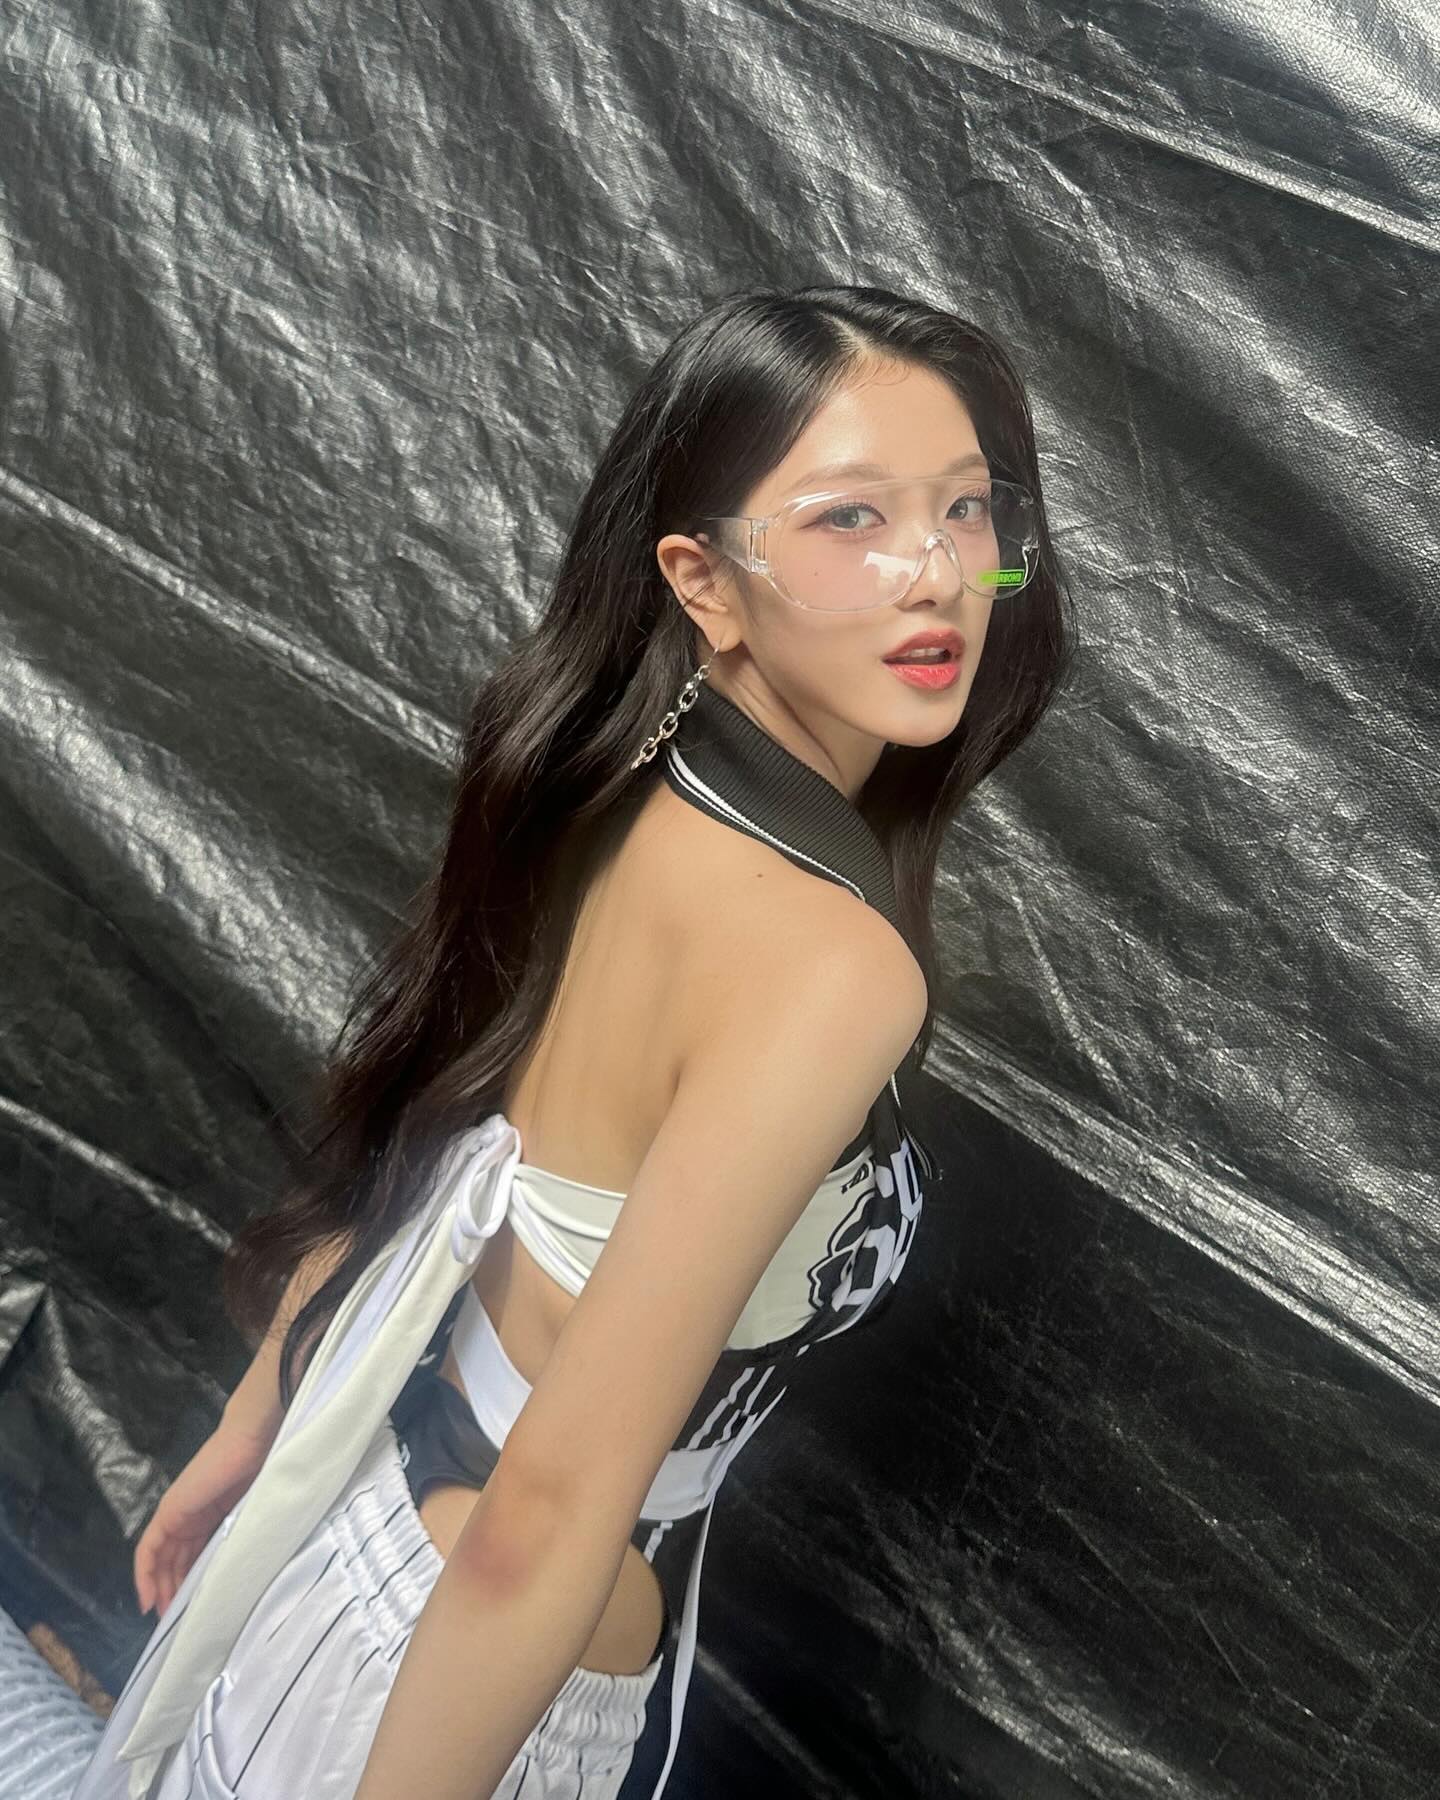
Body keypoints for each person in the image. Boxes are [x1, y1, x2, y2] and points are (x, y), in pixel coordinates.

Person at [71, 283, 1074, 1800]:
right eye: (851, 518)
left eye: (967, 508)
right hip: (459, 1693)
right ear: (703, 581)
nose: (936, 572)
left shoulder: (614, 786)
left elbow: (434, 1156)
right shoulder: (832, 970)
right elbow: (543, 1515)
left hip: (357, 1555)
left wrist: (249, 1425)